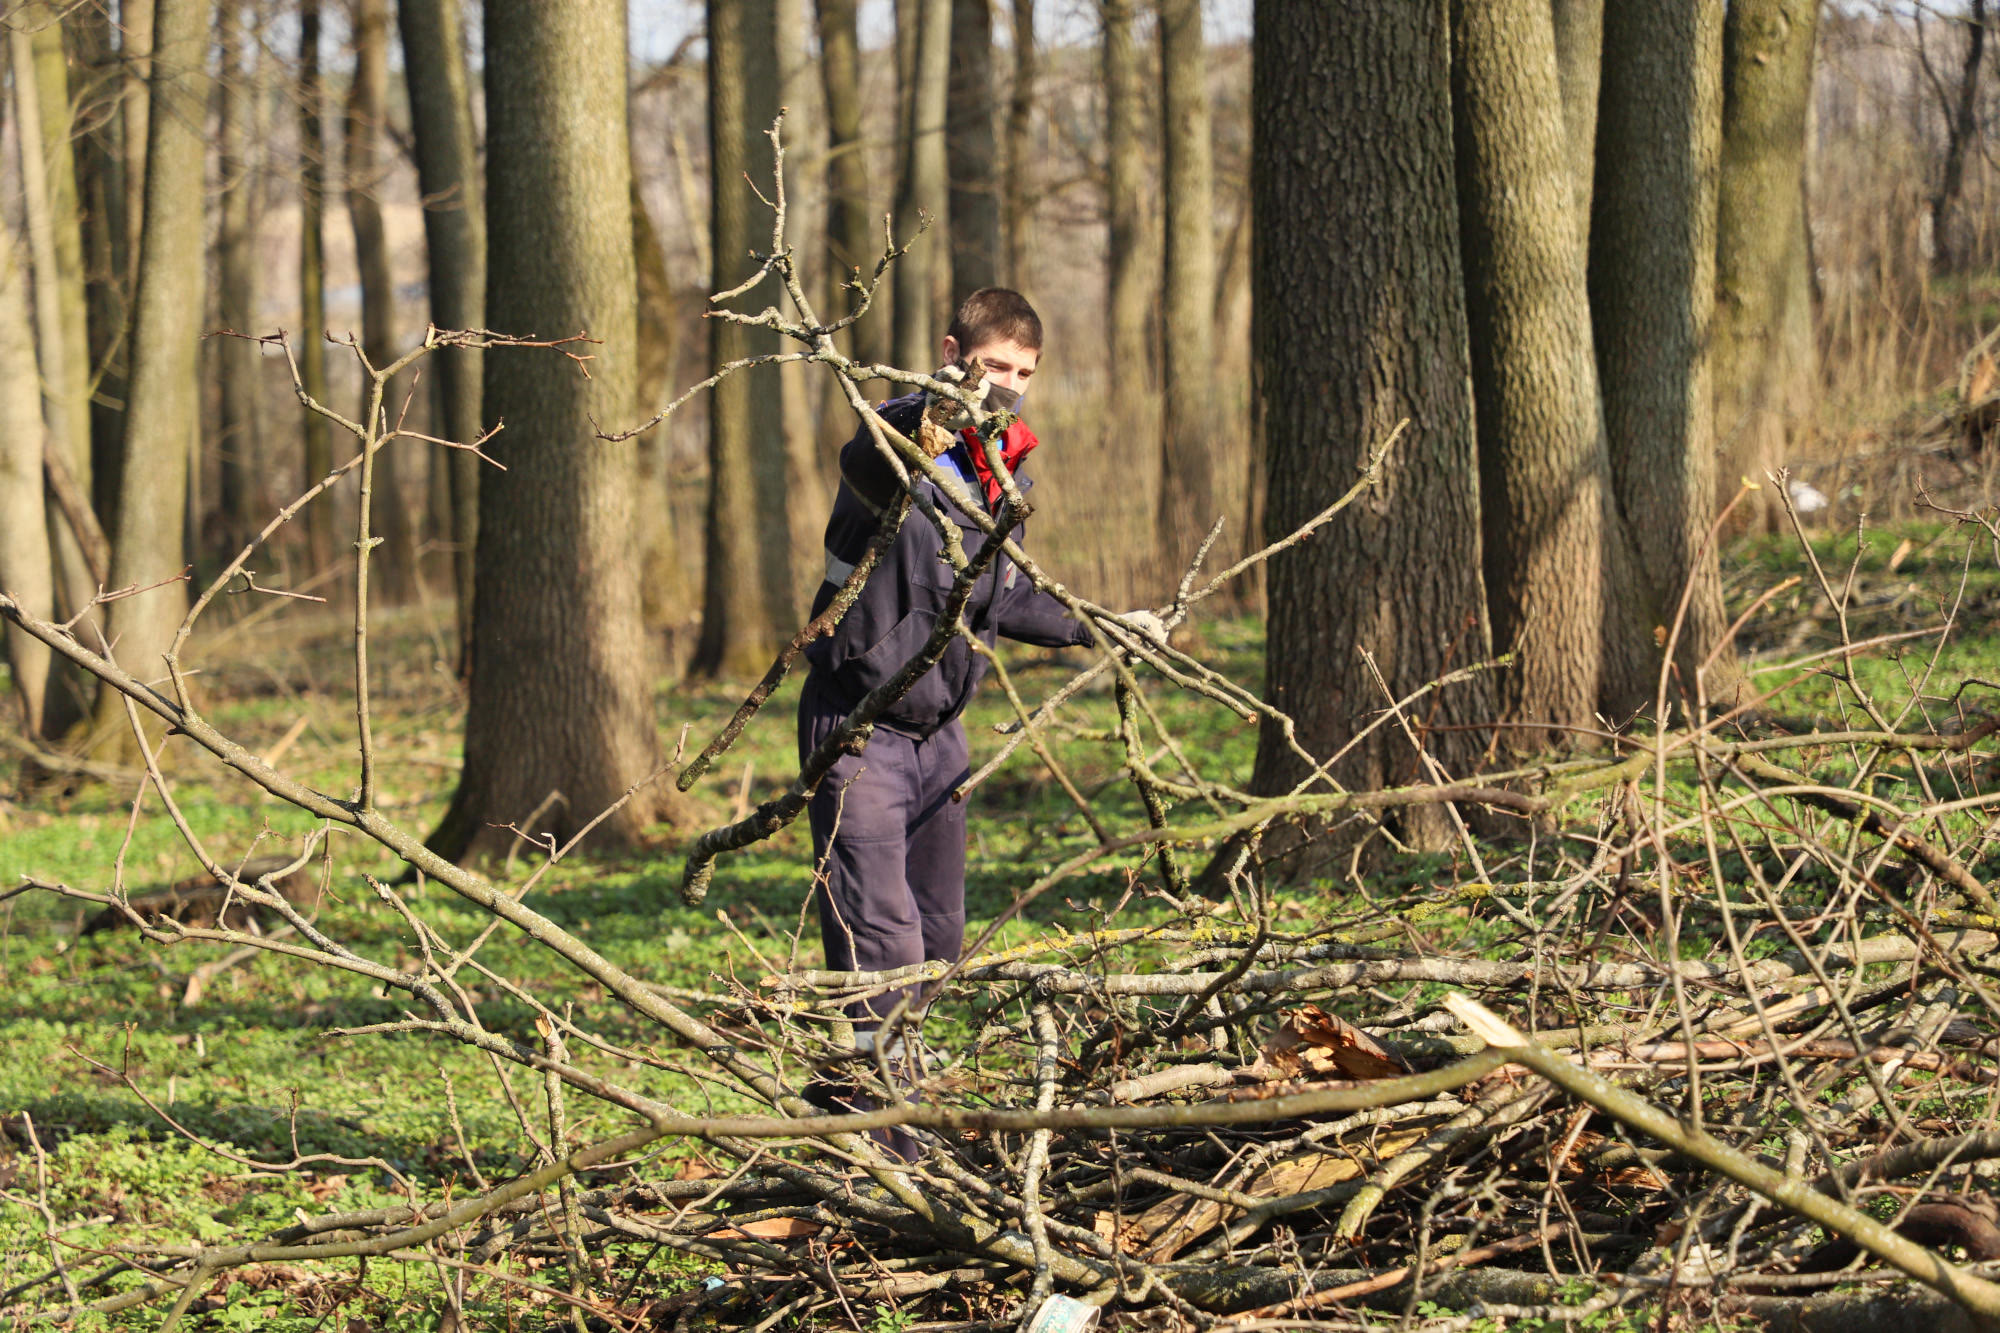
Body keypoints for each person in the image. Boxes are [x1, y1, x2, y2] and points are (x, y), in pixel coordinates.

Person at [797, 289, 1154, 1127]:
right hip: (860, 730)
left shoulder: (1002, 470)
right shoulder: (894, 438)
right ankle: (899, 1143)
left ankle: (855, 1093)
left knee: (940, 937)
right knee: (883, 944)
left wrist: (1099, 626)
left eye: (1024, 374)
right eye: (996, 366)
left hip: (941, 738)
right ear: (956, 351)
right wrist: (931, 408)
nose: (1010, 386)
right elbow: (865, 457)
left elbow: (1005, 593)